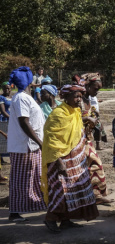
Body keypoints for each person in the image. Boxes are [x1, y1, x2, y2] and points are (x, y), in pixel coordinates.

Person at [41, 84, 99, 233]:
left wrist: (87, 119)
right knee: (60, 190)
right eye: (76, 96)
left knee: (72, 191)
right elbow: (51, 140)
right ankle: (50, 219)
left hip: (76, 160)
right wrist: (59, 161)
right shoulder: (58, 115)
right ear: (66, 97)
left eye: (80, 96)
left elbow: (76, 129)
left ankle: (66, 220)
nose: (79, 99)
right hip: (61, 160)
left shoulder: (75, 111)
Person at [7, 66, 46, 222]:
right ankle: (14, 212)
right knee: (21, 179)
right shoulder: (21, 98)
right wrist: (40, 142)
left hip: (30, 145)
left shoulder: (26, 97)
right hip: (25, 146)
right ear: (30, 81)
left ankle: (30, 206)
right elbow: (24, 122)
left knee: (32, 177)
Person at [74, 73, 112, 205]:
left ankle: (94, 196)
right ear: (88, 86)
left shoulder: (87, 100)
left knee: (92, 168)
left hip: (87, 139)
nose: (97, 91)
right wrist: (87, 118)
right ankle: (94, 197)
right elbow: (71, 119)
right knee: (93, 166)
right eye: (95, 88)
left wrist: (94, 119)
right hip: (78, 141)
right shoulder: (78, 100)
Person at [0, 81, 12, 173]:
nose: (7, 90)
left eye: (8, 88)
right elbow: (3, 111)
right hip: (4, 120)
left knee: (11, 138)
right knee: (3, 140)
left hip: (12, 120)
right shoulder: (1, 98)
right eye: (5, 88)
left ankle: (11, 156)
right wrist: (13, 119)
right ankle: (1, 158)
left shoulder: (12, 98)